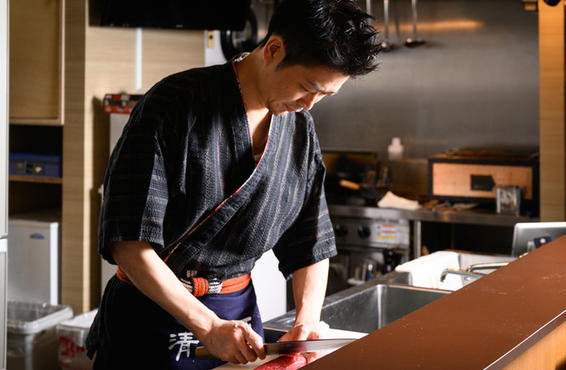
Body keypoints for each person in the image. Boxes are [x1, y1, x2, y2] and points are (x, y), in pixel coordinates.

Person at [85, 0, 381, 368]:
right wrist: (207, 326)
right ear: (274, 50)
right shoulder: (174, 104)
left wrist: (306, 318)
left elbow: (311, 241)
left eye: (324, 95)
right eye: (308, 87)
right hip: (151, 318)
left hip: (238, 322)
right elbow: (129, 243)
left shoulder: (299, 129)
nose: (310, 105)